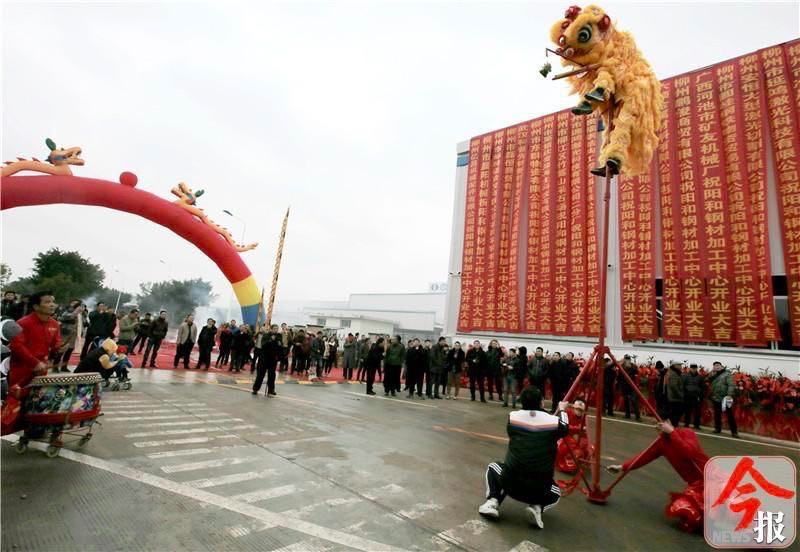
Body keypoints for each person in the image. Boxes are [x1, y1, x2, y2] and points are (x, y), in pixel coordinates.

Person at [478, 387, 569, 529]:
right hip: (539, 489)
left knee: (493, 467)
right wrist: (562, 409)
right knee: (556, 492)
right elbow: (565, 428)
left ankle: (493, 501)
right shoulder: (553, 421)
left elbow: (514, 433)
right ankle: (537, 507)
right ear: (542, 402)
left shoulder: (513, 417)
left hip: (511, 484)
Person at [608, 421, 710, 533]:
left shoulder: (687, 433)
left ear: (669, 423)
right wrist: (622, 467)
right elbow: (643, 457)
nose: (657, 428)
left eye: (660, 424)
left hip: (708, 477)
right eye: (656, 425)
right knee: (689, 515)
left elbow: (689, 452)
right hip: (694, 484)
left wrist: (672, 432)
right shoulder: (661, 443)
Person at [8, 291, 61, 391]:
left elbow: (56, 343)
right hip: (22, 368)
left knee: (36, 399)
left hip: (41, 369)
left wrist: (59, 348)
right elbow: (17, 346)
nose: (52, 305)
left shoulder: (54, 324)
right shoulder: (23, 323)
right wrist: (35, 362)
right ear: (36, 306)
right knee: (15, 400)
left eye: (53, 301)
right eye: (47, 302)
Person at [555, 398, 592, 474]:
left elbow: (585, 433)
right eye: (577, 409)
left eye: (581, 410)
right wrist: (578, 429)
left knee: (589, 447)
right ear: (573, 407)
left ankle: (578, 463)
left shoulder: (584, 418)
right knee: (571, 449)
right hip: (564, 438)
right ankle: (567, 467)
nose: (579, 411)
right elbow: (563, 427)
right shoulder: (567, 413)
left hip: (577, 439)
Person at [708, 361, 738, 437]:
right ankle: (717, 429)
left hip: (725, 398)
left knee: (730, 415)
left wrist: (729, 394)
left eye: (718, 365)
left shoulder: (727, 374)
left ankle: (734, 432)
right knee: (717, 414)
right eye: (715, 366)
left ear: (722, 366)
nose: (717, 367)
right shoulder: (713, 375)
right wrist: (712, 373)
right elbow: (708, 381)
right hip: (716, 397)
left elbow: (731, 385)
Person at [53, 299, 82, 372]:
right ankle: (55, 366)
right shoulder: (67, 310)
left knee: (69, 351)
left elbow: (82, 322)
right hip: (66, 333)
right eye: (73, 303)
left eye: (77, 303)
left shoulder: (80, 313)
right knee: (62, 350)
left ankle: (64, 366)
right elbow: (67, 317)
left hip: (74, 334)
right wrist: (76, 312)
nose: (75, 305)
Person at [253, 325, 281, 396]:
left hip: (273, 359)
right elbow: (263, 345)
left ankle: (271, 390)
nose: (276, 330)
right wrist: (270, 340)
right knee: (260, 374)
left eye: (277, 329)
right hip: (264, 358)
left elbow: (279, 347)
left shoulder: (278, 337)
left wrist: (279, 345)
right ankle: (255, 389)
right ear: (271, 329)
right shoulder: (266, 335)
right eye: (274, 329)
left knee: (272, 375)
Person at [682, 363, 704, 430]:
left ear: (696, 369)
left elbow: (702, 386)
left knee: (697, 412)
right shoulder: (685, 376)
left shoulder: (700, 377)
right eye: (692, 368)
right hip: (687, 396)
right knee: (687, 411)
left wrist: (700, 393)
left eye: (695, 368)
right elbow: (683, 385)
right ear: (690, 368)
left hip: (696, 396)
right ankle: (686, 424)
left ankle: (696, 425)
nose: (693, 370)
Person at [620, 354, 641, 421]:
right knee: (626, 400)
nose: (627, 360)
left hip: (631, 385)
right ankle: (628, 414)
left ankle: (637, 416)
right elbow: (620, 376)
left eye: (628, 359)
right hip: (625, 385)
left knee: (634, 401)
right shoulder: (622, 366)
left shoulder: (632, 366)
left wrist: (631, 367)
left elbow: (637, 372)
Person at [665, 361, 685, 427]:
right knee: (675, 414)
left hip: (674, 398)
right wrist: (681, 395)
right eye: (679, 365)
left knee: (675, 414)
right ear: (675, 366)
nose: (681, 367)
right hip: (675, 398)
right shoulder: (674, 374)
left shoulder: (675, 373)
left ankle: (672, 426)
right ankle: (673, 427)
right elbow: (674, 387)